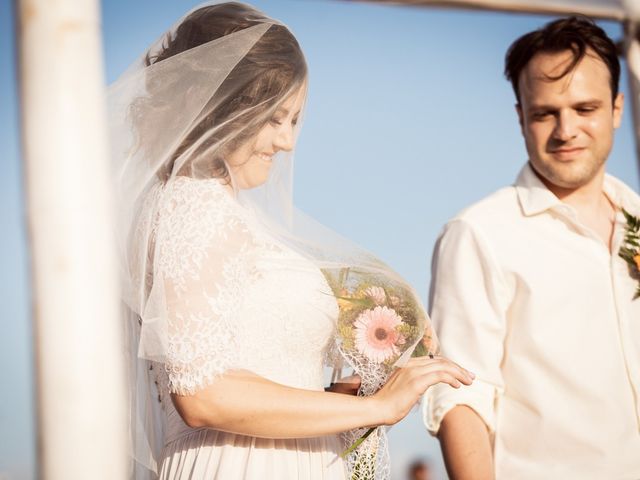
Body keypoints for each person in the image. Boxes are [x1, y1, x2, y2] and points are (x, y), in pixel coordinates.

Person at [109, 3, 474, 479]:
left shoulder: (220, 211)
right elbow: (204, 395)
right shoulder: (192, 204)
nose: (287, 142)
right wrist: (379, 407)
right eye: (274, 118)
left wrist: (353, 386)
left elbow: (252, 374)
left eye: (294, 120)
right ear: (221, 108)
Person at [422, 16, 640, 480]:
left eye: (585, 109)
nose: (566, 130)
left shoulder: (637, 216)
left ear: (617, 109)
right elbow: (462, 397)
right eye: (545, 113)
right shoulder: (481, 233)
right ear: (521, 116)